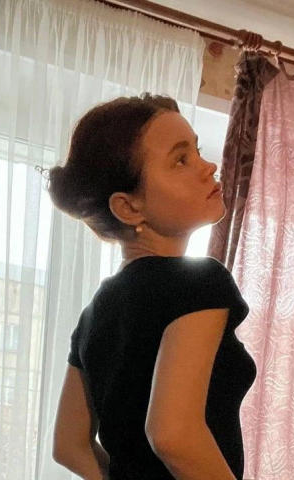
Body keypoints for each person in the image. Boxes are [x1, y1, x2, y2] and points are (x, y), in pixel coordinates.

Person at [45, 93, 256, 480]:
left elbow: (69, 446)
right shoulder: (199, 282)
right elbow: (173, 434)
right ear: (128, 207)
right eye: (180, 160)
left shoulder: (96, 311)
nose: (208, 167)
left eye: (196, 151)